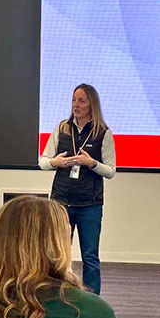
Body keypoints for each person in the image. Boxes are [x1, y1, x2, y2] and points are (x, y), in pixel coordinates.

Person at [39, 83, 116, 294]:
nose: (76, 105)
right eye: (74, 100)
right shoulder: (62, 128)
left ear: (92, 104)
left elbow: (110, 171)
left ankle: (93, 301)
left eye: (81, 100)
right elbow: (43, 161)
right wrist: (56, 162)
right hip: (61, 202)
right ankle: (54, 295)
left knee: (90, 256)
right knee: (57, 254)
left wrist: (91, 163)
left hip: (89, 205)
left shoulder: (103, 133)